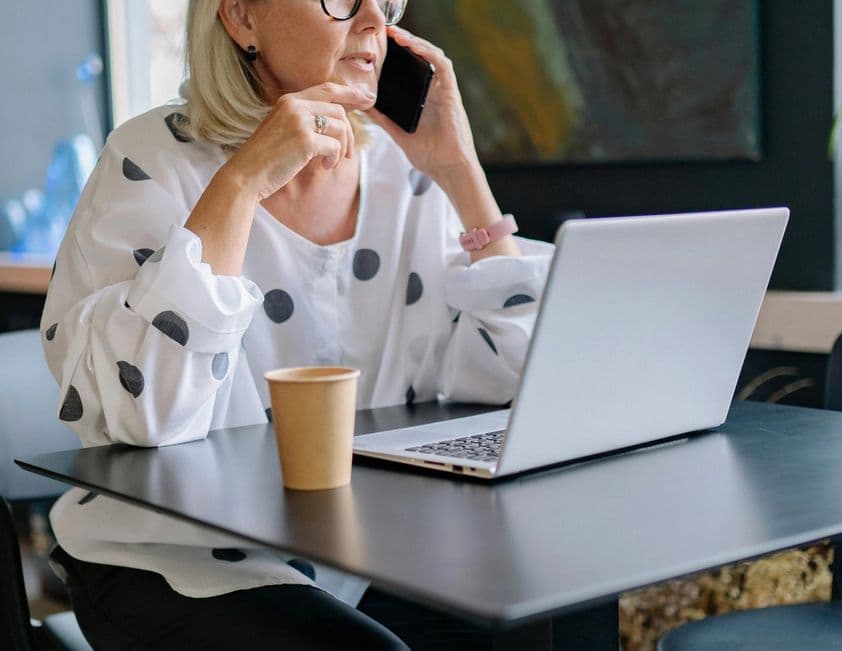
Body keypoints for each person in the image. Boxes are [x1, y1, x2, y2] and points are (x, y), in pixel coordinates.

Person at [39, 0, 553, 648]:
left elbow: (516, 374)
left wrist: (458, 170)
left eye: (387, 1)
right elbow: (147, 411)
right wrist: (245, 179)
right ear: (241, 18)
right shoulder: (151, 160)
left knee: (537, 618)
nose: (375, 21)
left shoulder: (404, 173)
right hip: (169, 555)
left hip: (366, 553)